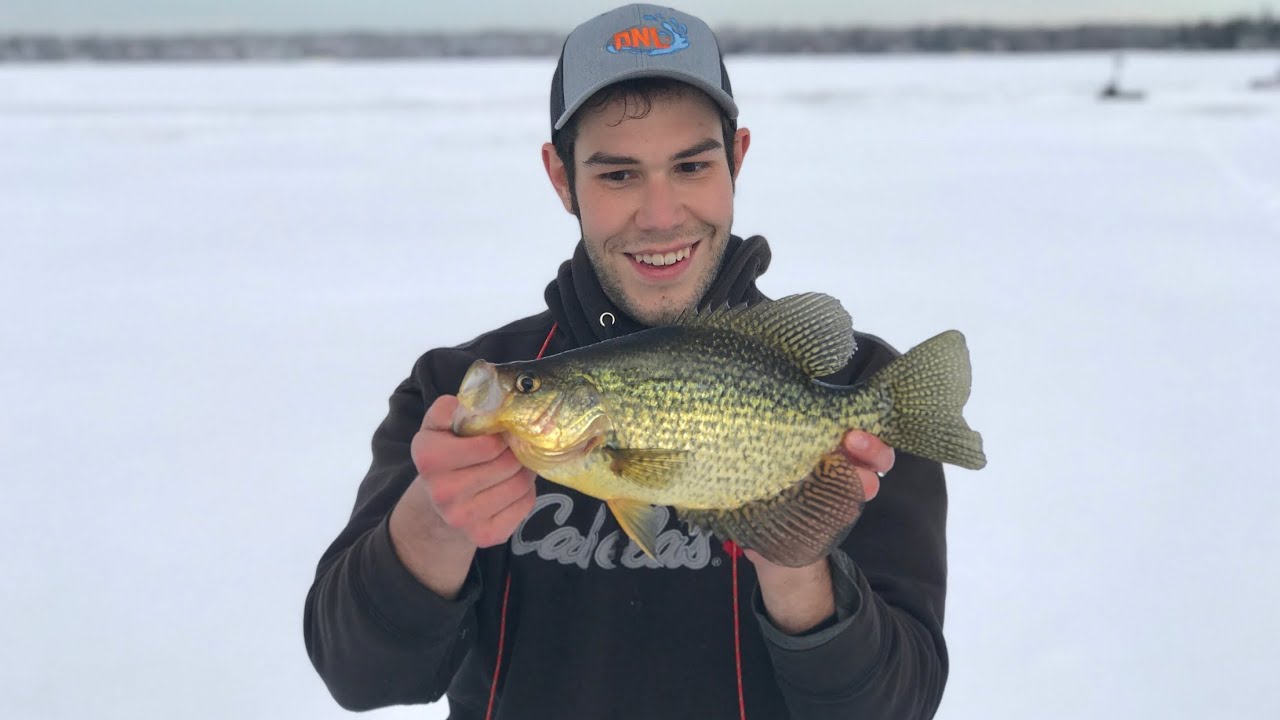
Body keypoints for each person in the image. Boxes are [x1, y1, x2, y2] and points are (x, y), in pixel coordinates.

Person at [304, 5, 950, 719]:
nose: (661, 213)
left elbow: (901, 706)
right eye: (617, 176)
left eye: (692, 165)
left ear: (737, 157)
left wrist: (797, 566)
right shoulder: (456, 396)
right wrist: (433, 526)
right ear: (561, 178)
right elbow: (358, 677)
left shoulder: (859, 391)